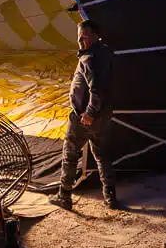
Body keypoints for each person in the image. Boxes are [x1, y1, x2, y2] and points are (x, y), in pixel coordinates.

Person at [49, 19, 118, 209]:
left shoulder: (89, 58)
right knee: (103, 155)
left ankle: (64, 196)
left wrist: (89, 112)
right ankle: (110, 195)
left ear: (95, 36)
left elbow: (96, 90)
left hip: (85, 118)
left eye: (84, 38)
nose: (80, 42)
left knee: (70, 153)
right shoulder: (106, 53)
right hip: (104, 117)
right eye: (79, 39)